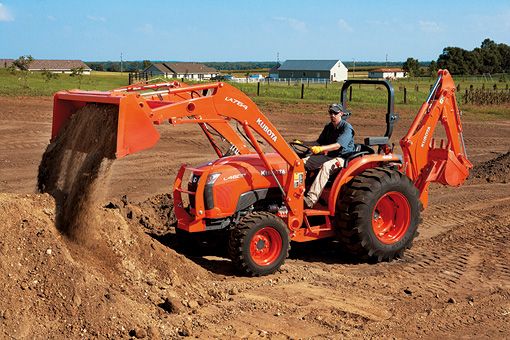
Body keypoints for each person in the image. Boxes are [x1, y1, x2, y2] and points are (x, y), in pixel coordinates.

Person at [296, 103, 355, 208]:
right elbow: (318, 142)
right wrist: (302, 143)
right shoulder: (329, 127)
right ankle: (296, 191)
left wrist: (321, 149)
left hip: (343, 158)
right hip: (330, 156)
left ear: (341, 114)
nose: (332, 115)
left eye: (335, 113)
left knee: (326, 167)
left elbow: (337, 146)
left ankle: (310, 199)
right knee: (302, 162)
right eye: (331, 112)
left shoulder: (346, 128)